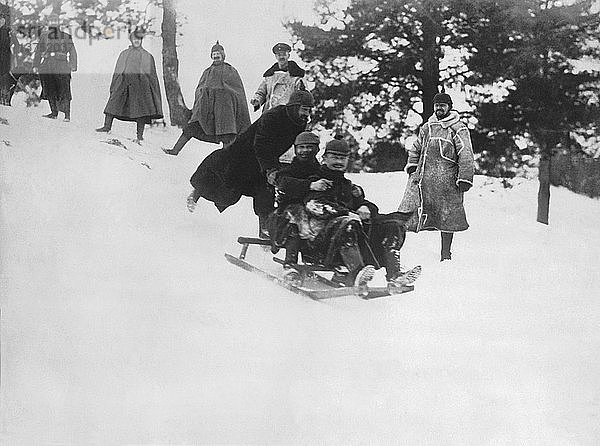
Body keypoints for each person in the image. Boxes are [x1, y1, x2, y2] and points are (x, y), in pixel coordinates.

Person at [271, 137, 421, 290]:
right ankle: (356, 274)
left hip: (346, 238)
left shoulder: (347, 186)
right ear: (324, 158)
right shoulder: (317, 181)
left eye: (342, 158)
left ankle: (395, 275)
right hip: (320, 243)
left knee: (392, 226)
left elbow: (363, 203)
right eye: (334, 157)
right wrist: (348, 213)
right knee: (349, 223)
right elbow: (314, 205)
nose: (338, 161)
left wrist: (366, 208)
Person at [186, 90, 314, 236]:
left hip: (264, 160)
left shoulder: (300, 123)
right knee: (225, 190)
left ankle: (264, 231)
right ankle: (196, 194)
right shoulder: (273, 117)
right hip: (242, 156)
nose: (307, 113)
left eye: (309, 110)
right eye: (304, 109)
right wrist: (270, 169)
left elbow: (298, 146)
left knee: (265, 192)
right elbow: (260, 144)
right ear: (294, 106)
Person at [398, 92, 475, 261]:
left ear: (450, 107)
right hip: (424, 179)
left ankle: (445, 254)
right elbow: (416, 147)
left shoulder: (458, 128)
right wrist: (412, 165)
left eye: (443, 105)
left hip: (447, 181)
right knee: (407, 213)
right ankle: (396, 252)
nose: (439, 108)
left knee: (448, 216)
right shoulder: (427, 127)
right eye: (437, 105)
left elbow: (466, 153)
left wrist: (465, 178)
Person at [162, 41, 251, 156]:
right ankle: (175, 151)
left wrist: (220, 93)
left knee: (227, 136)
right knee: (191, 128)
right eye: (214, 54)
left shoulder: (230, 70)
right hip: (208, 110)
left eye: (218, 53)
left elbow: (236, 91)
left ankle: (226, 160)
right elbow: (200, 89)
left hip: (225, 110)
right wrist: (204, 95)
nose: (216, 56)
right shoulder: (207, 72)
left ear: (223, 55)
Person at [95, 28, 163, 143]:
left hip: (140, 85)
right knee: (113, 103)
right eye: (134, 39)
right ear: (131, 40)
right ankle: (107, 127)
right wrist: (115, 83)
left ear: (141, 40)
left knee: (140, 110)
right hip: (123, 82)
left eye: (139, 39)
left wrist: (149, 89)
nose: (136, 41)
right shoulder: (124, 53)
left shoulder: (147, 55)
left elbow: (151, 75)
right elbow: (118, 69)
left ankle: (139, 135)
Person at [33, 12, 77, 121]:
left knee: (64, 90)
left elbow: (72, 51)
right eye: (51, 21)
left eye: (55, 21)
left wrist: (73, 65)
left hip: (61, 66)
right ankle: (54, 113)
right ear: (48, 23)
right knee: (49, 88)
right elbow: (38, 51)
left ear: (59, 23)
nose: (53, 23)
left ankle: (67, 115)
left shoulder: (66, 36)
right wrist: (36, 65)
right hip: (47, 65)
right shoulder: (44, 36)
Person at [250, 42, 305, 114]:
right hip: (269, 114)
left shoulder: (296, 76)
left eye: (284, 54)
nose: (281, 57)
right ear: (276, 56)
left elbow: (302, 97)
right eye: (279, 54)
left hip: (287, 115)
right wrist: (257, 100)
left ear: (288, 55)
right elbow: (261, 92)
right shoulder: (269, 76)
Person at [0, 4, 20, 106]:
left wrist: (15, 54)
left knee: (5, 78)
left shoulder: (8, 31)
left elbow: (16, 44)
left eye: (2, 19)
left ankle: (5, 100)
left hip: (5, 57)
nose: (1, 21)